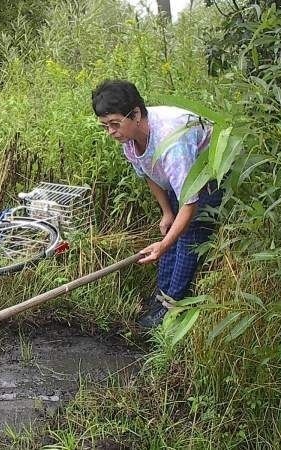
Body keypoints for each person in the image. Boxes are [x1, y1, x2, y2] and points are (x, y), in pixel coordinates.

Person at [91, 80, 223, 328]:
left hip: (210, 169)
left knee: (189, 234)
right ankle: (161, 298)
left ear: (136, 114)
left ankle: (173, 308)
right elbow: (149, 173)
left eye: (115, 124)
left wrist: (165, 242)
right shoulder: (130, 139)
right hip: (183, 174)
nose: (110, 132)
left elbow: (190, 202)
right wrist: (166, 212)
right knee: (170, 230)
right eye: (105, 126)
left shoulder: (172, 141)